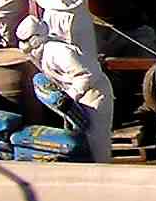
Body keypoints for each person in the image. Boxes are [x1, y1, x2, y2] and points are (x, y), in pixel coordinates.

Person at [30, 29, 116, 162]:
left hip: (93, 94)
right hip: (75, 96)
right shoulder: (38, 54)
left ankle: (102, 170)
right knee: (77, 138)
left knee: (96, 142)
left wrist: (71, 95)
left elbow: (86, 75)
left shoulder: (59, 52)